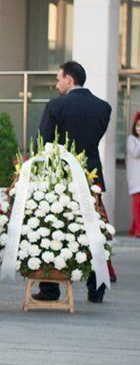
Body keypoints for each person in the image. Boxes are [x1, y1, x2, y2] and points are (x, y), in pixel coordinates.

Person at [36, 60, 113, 303]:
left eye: (59, 78)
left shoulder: (56, 105)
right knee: (93, 229)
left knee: (54, 225)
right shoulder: (104, 107)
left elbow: (44, 141)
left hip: (62, 175)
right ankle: (96, 286)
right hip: (92, 175)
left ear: (69, 79)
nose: (57, 83)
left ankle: (50, 288)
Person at [126, 112, 140, 237]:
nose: (139, 128)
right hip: (136, 177)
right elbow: (135, 153)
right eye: (138, 126)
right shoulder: (131, 139)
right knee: (137, 204)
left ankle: (134, 229)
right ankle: (138, 230)